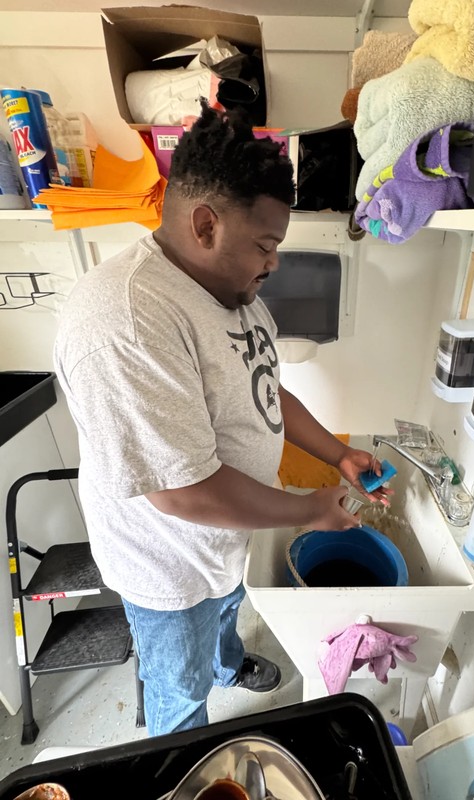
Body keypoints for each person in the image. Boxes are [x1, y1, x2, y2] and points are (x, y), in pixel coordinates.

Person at [54, 101, 389, 737]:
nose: (275, 262)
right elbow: (182, 491)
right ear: (205, 224)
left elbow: (265, 392)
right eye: (266, 245)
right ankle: (182, 757)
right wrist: (307, 510)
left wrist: (335, 457)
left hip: (225, 540)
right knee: (180, 699)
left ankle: (228, 664)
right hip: (166, 565)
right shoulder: (126, 319)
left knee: (226, 615)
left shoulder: (234, 293)